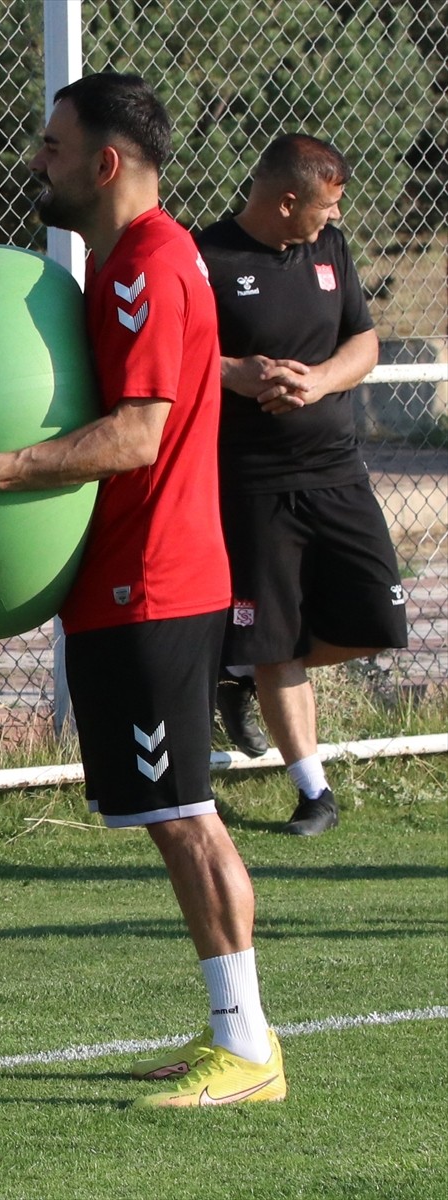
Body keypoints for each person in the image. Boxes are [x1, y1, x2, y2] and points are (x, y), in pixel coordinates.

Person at [0, 72, 285, 1107]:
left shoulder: (146, 264)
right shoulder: (125, 265)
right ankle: (236, 1037)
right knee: (169, 814)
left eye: (54, 148)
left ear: (105, 163)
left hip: (154, 586)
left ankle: (245, 1048)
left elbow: (140, 433)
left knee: (186, 815)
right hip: (126, 587)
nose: (38, 162)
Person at [196, 135, 408, 836]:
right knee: (277, 645)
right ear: (288, 202)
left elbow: (365, 343)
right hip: (252, 483)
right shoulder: (207, 257)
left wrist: (317, 381)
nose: (331, 220)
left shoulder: (330, 251)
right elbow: (173, 351)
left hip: (337, 471)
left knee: (379, 617)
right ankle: (314, 793)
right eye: (324, 208)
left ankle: (244, 672)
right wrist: (236, 374)